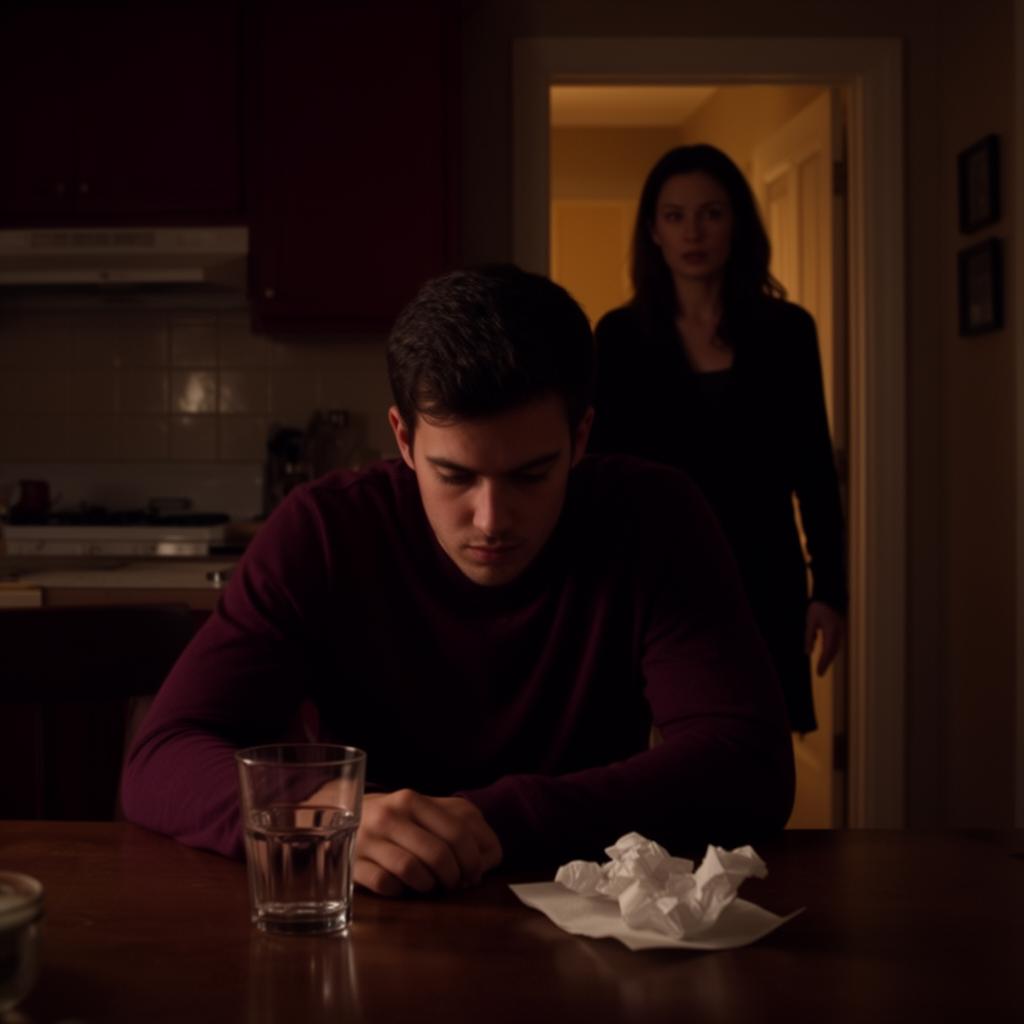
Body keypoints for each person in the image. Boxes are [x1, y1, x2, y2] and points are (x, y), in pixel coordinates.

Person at [121, 264, 794, 897]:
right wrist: (325, 810)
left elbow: (747, 763)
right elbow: (160, 758)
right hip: (372, 915)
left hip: (593, 917)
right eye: (455, 476)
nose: (491, 519)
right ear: (404, 441)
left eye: (531, 474)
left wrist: (493, 819)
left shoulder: (654, 517)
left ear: (581, 438)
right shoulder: (323, 530)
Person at [589, 144, 847, 734]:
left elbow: (812, 465)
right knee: (652, 750)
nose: (694, 232)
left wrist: (831, 590)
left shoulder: (787, 331)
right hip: (655, 575)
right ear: (653, 230)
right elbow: (601, 471)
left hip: (764, 569)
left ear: (737, 222)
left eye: (711, 212)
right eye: (675, 215)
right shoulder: (621, 336)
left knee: (753, 748)